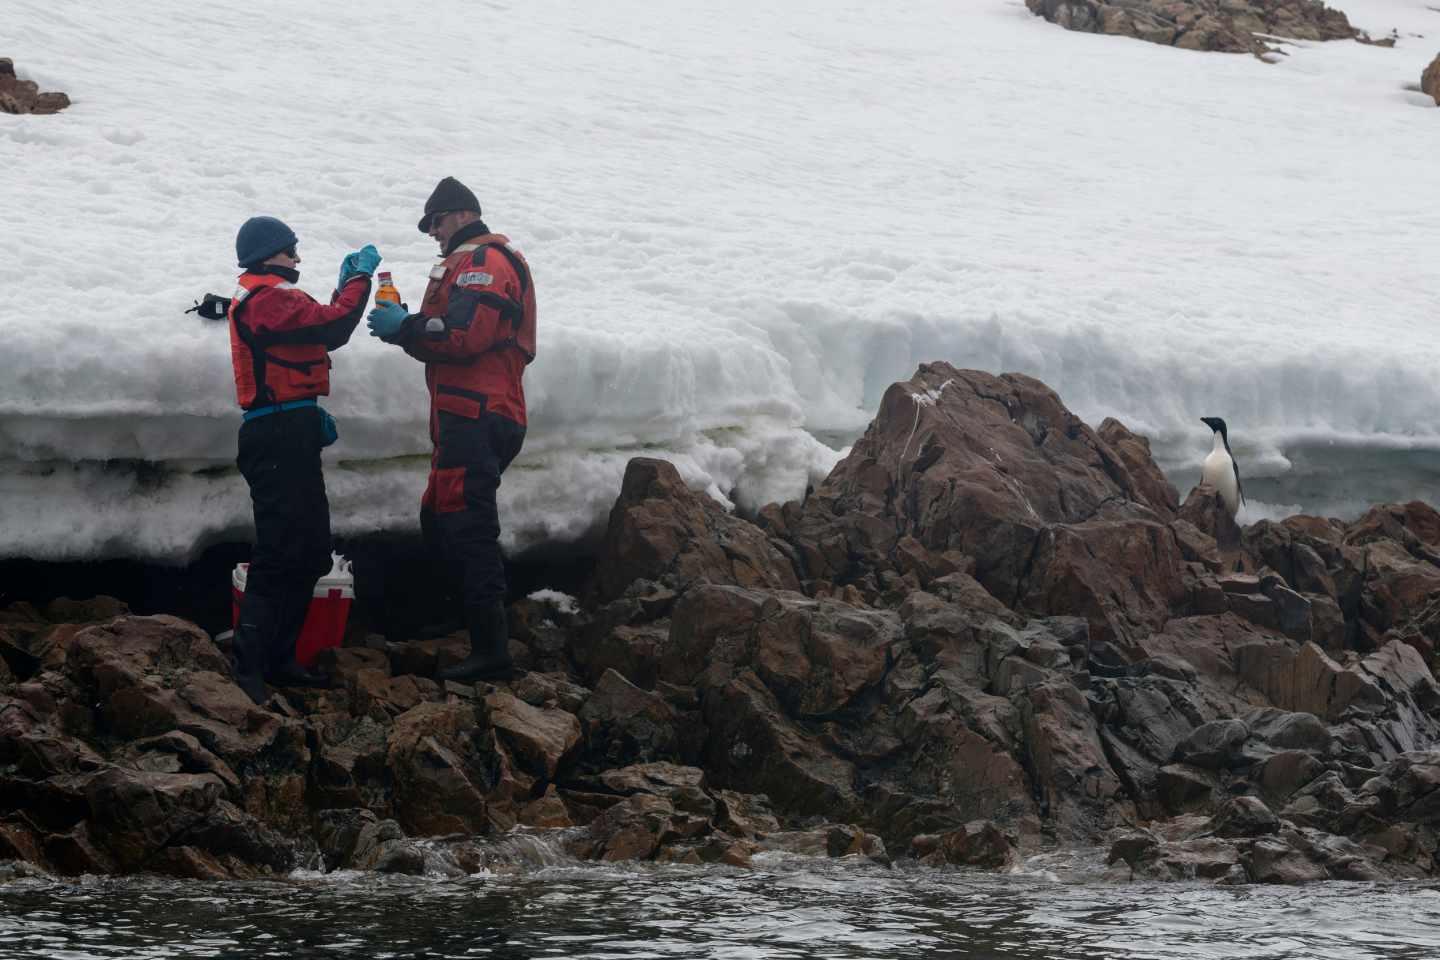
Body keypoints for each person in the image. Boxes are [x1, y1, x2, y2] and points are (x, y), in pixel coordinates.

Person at [366, 177, 536, 681]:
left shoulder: (484, 262)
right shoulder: (467, 263)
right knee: (439, 514)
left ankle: (491, 650)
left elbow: (463, 334)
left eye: (436, 222)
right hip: (463, 414)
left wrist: (407, 328)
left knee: (468, 524)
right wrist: (410, 329)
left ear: (460, 215)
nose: (433, 233)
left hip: (479, 412)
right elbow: (453, 332)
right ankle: (449, 620)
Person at [228, 215, 379, 704]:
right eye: (291, 251)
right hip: (275, 435)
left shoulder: (273, 298)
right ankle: (249, 667)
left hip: (288, 428)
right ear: (269, 254)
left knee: (311, 551)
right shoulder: (268, 298)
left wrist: (306, 416)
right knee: (276, 554)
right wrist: (357, 280)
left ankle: (280, 659)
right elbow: (333, 326)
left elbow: (319, 330)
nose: (297, 259)